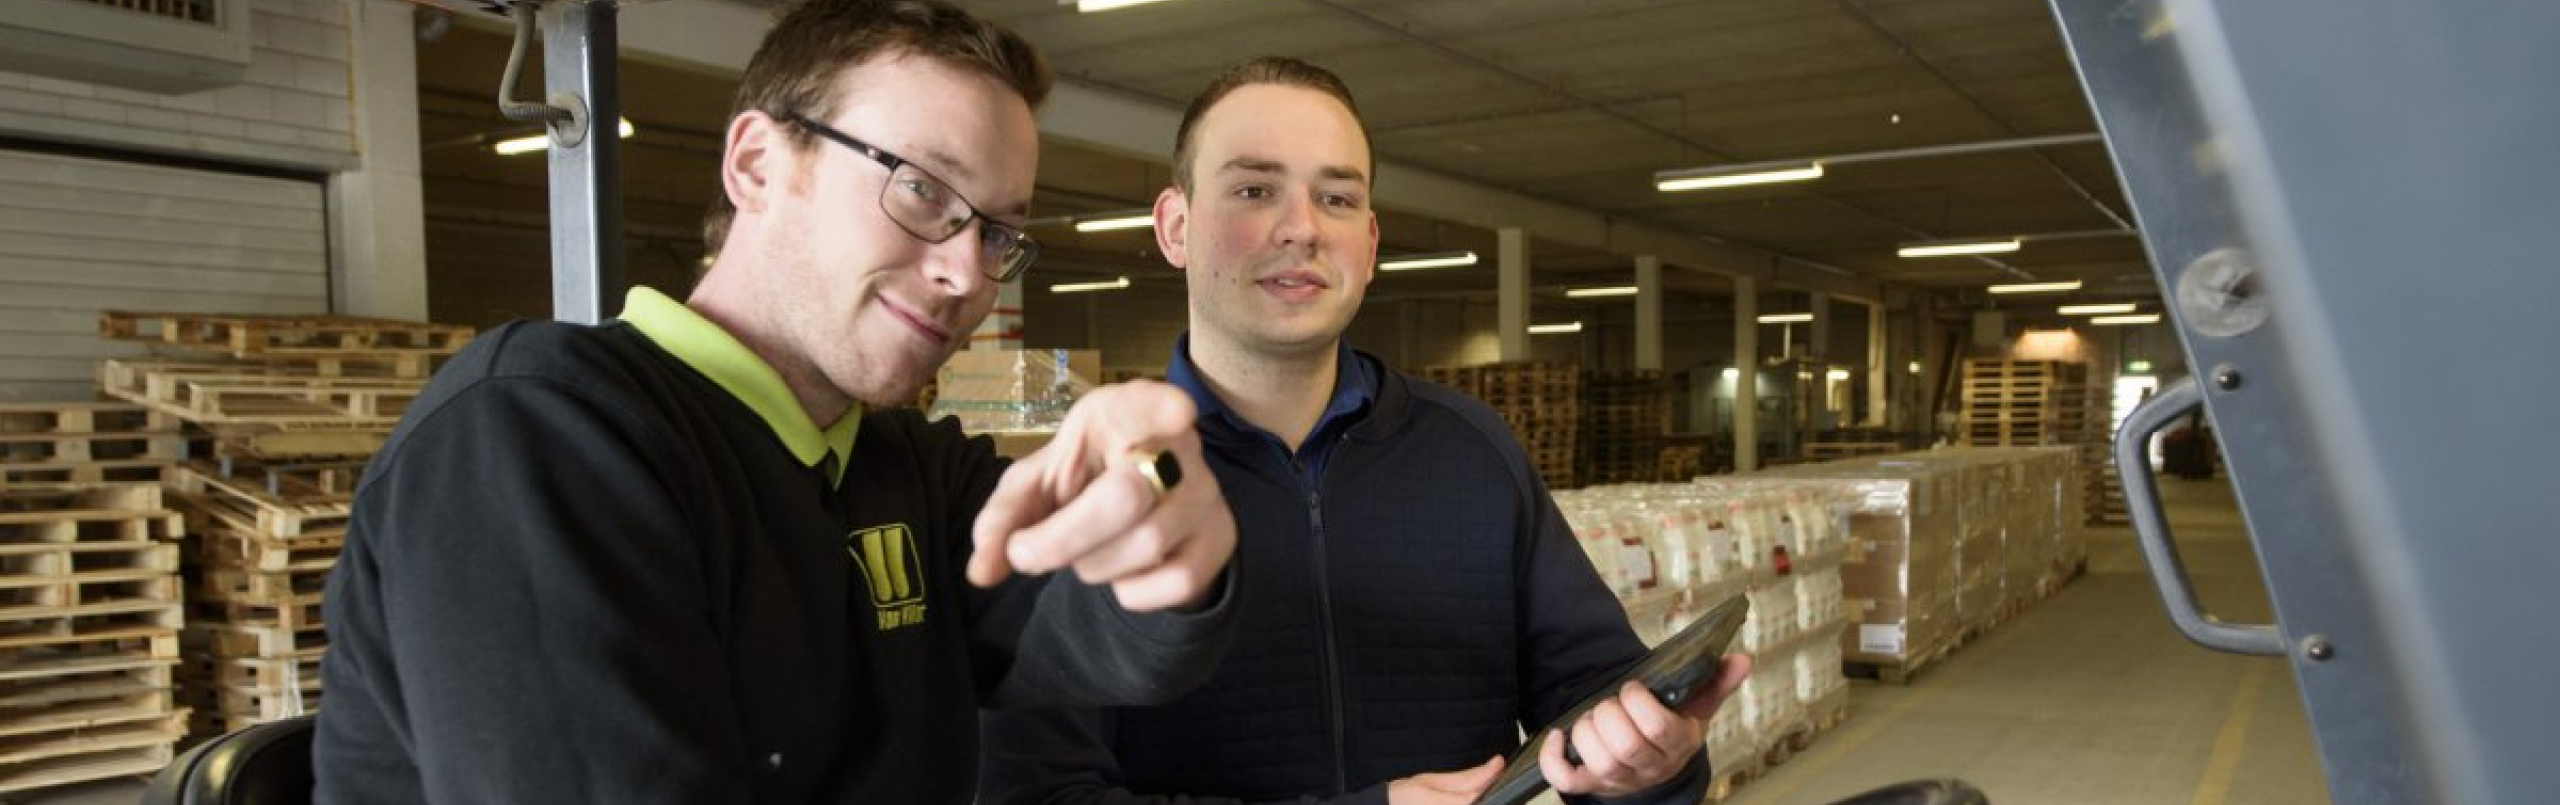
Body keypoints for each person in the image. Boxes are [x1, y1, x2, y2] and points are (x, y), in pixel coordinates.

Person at [314, 2, 1241, 802]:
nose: (967, 270)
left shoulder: (899, 467)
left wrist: (1166, 520)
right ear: (758, 164)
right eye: (921, 188)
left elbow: (1113, 636)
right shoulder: (535, 433)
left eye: (999, 231)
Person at [977, 57, 1749, 805]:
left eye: (1337, 199)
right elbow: (1042, 793)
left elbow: (1596, 695)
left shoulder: (1472, 451)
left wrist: (1652, 767)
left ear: (1371, 245)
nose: (1301, 228)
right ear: (1176, 227)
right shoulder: (1093, 491)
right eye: (1254, 189)